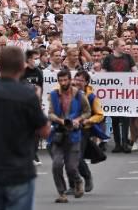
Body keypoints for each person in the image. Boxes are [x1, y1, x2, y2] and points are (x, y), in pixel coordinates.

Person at [0, 46, 50, 210]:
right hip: (20, 169)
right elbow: (45, 131)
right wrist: (36, 101)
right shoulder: (27, 94)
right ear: (21, 67)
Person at [47, 68, 91, 203]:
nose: (63, 82)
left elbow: (87, 111)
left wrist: (78, 120)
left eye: (65, 79)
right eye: (60, 80)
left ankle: (78, 181)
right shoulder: (54, 94)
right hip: (58, 134)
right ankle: (62, 193)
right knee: (56, 165)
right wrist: (60, 120)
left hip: (74, 134)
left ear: (70, 80)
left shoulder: (79, 94)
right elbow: (50, 113)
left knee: (72, 167)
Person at [74, 71, 106, 193]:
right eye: (76, 79)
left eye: (81, 80)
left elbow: (100, 115)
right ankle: (73, 185)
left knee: (76, 156)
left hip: (83, 130)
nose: (77, 82)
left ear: (86, 82)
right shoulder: (68, 93)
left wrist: (88, 120)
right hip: (69, 129)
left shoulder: (92, 97)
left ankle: (86, 177)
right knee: (67, 158)